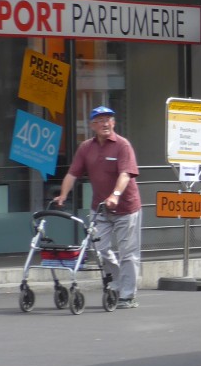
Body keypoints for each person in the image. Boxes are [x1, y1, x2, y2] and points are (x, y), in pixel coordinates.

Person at [53, 106, 143, 309]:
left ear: (114, 123)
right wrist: (63, 195)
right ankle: (118, 283)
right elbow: (72, 173)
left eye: (108, 119)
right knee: (100, 250)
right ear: (92, 125)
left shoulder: (122, 145)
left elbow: (125, 174)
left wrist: (115, 195)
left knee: (128, 253)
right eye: (100, 120)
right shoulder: (86, 147)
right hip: (100, 209)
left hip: (126, 208)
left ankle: (128, 296)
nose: (105, 123)